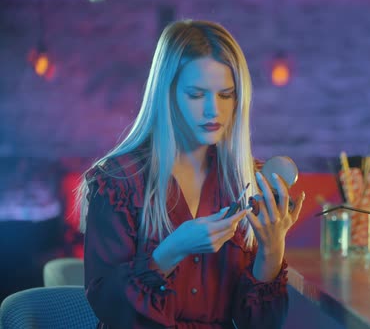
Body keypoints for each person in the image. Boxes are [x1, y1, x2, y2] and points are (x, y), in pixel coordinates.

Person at [77, 20, 305, 329]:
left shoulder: (247, 181)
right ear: (167, 95)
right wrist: (172, 250)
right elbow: (109, 307)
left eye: (226, 95)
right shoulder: (119, 182)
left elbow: (260, 324)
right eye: (197, 95)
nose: (214, 110)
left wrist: (272, 246)